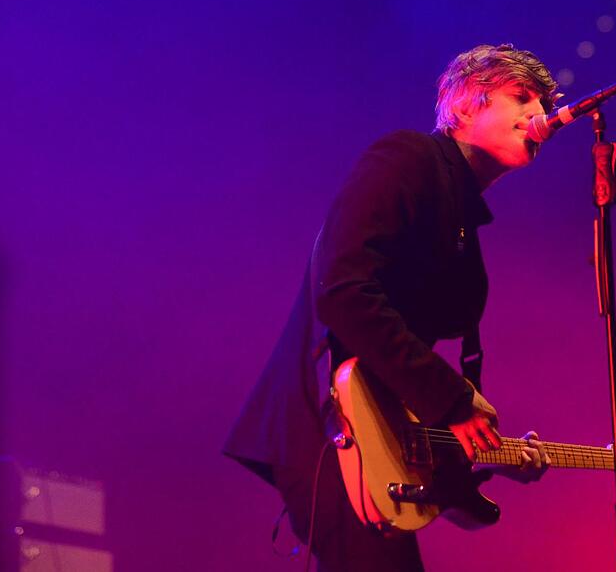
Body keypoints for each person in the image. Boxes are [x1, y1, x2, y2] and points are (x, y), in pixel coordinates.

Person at [223, 44, 559, 571]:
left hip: (375, 424)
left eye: (543, 102)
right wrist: (451, 400)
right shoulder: (406, 159)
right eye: (522, 98)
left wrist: (487, 452)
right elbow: (342, 291)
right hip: (327, 419)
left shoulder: (464, 220)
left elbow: (403, 371)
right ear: (466, 105)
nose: (540, 115)